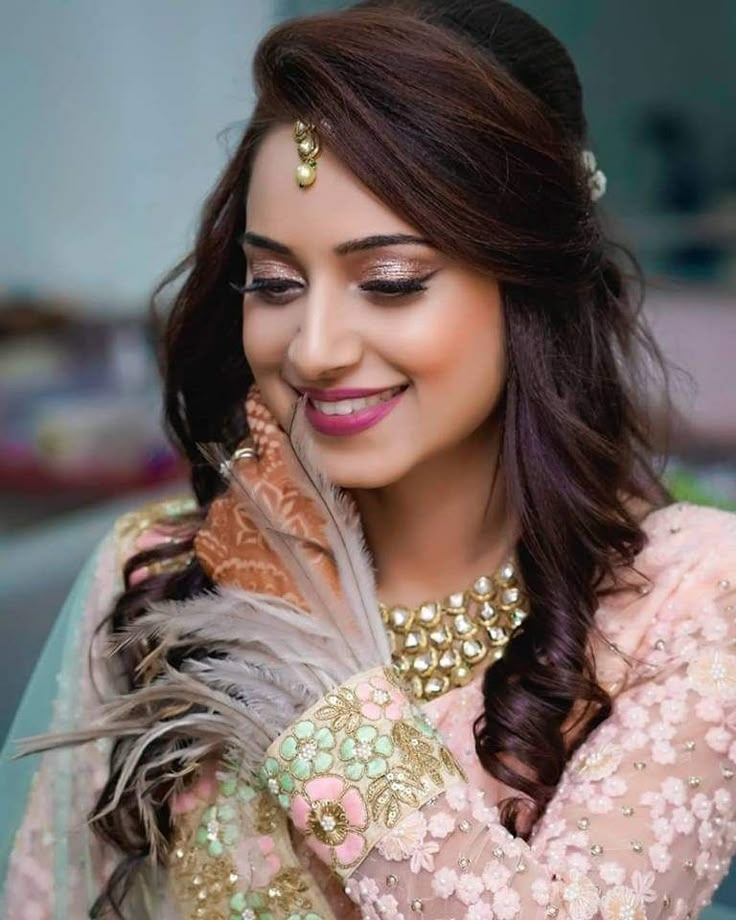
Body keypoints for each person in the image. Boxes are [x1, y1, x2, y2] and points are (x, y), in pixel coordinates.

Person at [3, 1, 736, 917]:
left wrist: (318, 676)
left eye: (389, 282)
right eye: (273, 284)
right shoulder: (162, 572)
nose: (313, 349)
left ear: (530, 287)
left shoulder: (689, 598)